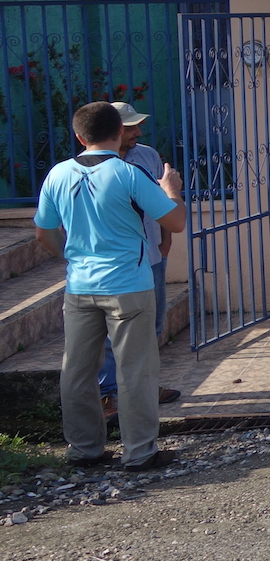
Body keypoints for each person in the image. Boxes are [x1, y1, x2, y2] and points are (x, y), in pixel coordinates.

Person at [34, 101, 186, 471]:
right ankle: (140, 452)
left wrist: (74, 258)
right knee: (135, 370)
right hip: (128, 285)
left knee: (77, 371)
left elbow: (44, 233)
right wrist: (172, 190)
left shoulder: (57, 174)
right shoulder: (129, 173)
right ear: (119, 131)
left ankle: (84, 449)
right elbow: (176, 222)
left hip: (79, 287)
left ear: (79, 136)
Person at [95, 102, 182, 420]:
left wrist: (165, 242)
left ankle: (144, 386)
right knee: (111, 330)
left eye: (137, 126)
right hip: (116, 264)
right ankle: (107, 394)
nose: (137, 132)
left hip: (151, 256)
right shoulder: (90, 166)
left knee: (152, 323)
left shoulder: (147, 156)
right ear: (114, 130)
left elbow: (164, 205)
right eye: (130, 127)